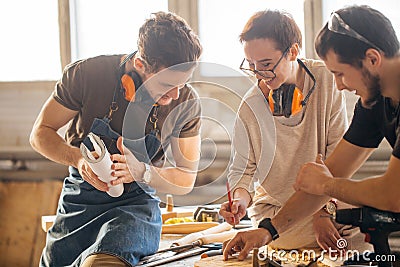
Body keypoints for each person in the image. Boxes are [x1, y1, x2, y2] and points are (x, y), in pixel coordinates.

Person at [223, 5, 400, 262]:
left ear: (372, 59)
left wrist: (326, 186)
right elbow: (335, 170)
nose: (339, 84)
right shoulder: (374, 102)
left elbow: (392, 195)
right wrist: (267, 231)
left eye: (340, 73)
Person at [30, 11, 202, 267]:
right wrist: (78, 159)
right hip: (81, 199)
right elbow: (40, 133)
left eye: (183, 83)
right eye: (167, 84)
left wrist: (142, 172)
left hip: (135, 207)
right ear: (141, 65)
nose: (176, 95)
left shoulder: (185, 103)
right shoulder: (87, 75)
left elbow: (186, 178)